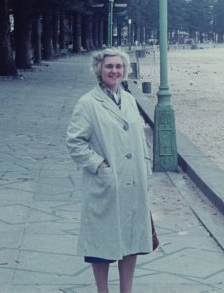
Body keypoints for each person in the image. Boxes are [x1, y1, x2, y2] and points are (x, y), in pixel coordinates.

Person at [66, 48, 153, 293]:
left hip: (133, 181)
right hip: (106, 183)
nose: (114, 71)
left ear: (125, 70)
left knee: (132, 241)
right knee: (102, 243)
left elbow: (139, 138)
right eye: (109, 66)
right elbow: (74, 142)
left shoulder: (129, 99)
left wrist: (145, 168)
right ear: (99, 70)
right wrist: (99, 165)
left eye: (119, 66)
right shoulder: (88, 103)